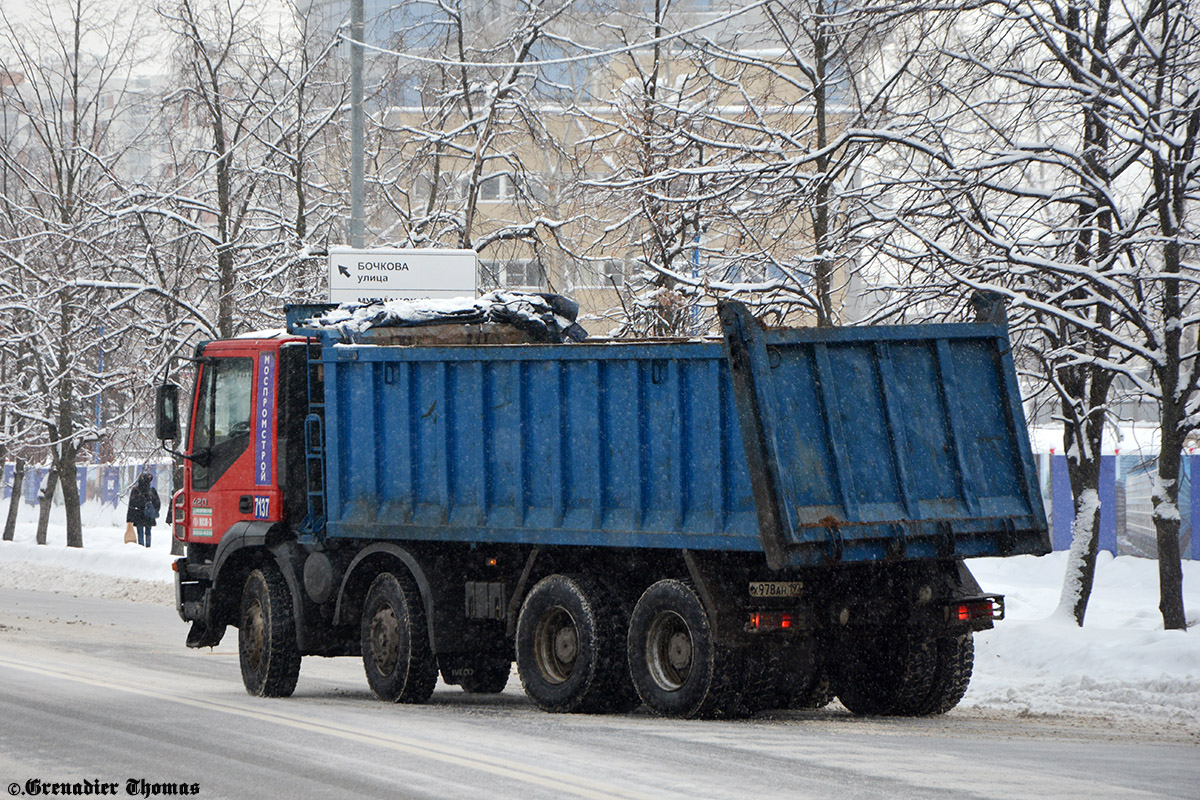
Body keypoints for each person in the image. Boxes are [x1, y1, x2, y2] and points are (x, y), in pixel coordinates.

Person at [127, 472, 161, 548]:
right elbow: (157, 502)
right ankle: (148, 547)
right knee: (148, 532)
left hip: (138, 514)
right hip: (148, 515)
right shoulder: (152, 490)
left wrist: (129, 518)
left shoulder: (135, 490)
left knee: (140, 532)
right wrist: (154, 510)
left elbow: (131, 504)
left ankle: (141, 547)